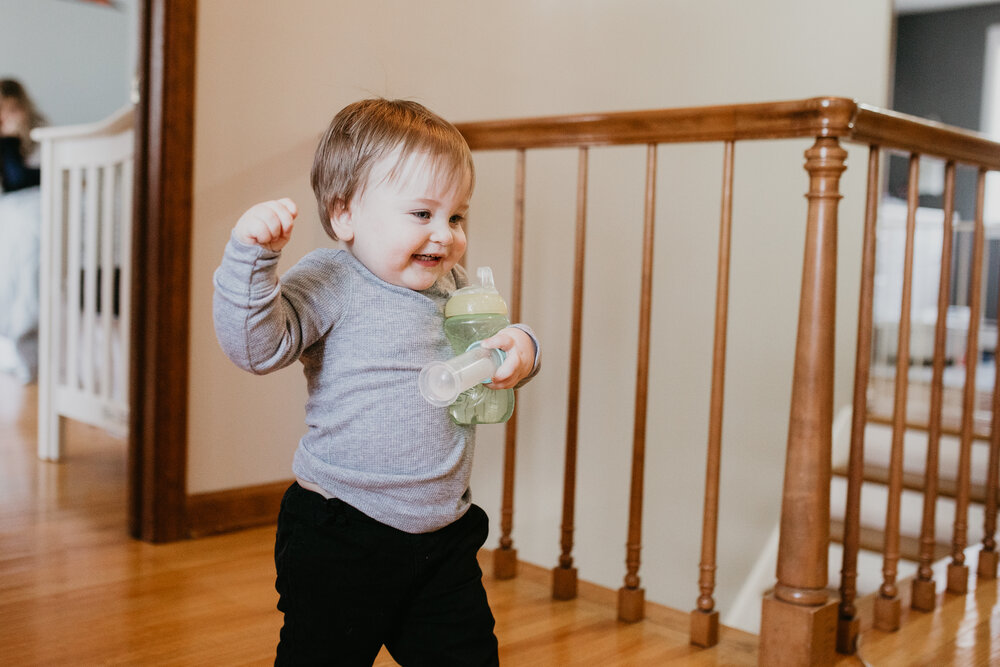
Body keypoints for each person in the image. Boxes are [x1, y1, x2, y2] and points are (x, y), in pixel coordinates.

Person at [213, 98, 540, 666]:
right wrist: (251, 262)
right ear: (345, 215)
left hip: (444, 535)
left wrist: (523, 349)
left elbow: (490, 349)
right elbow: (257, 348)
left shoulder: (454, 286)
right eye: (422, 214)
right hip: (342, 532)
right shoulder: (331, 279)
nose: (445, 235)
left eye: (456, 216)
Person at [0, 78, 45, 193]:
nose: (6, 116)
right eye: (1, 109)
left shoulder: (39, 131)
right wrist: (10, 140)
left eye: (13, 110)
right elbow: (14, 179)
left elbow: (19, 179)